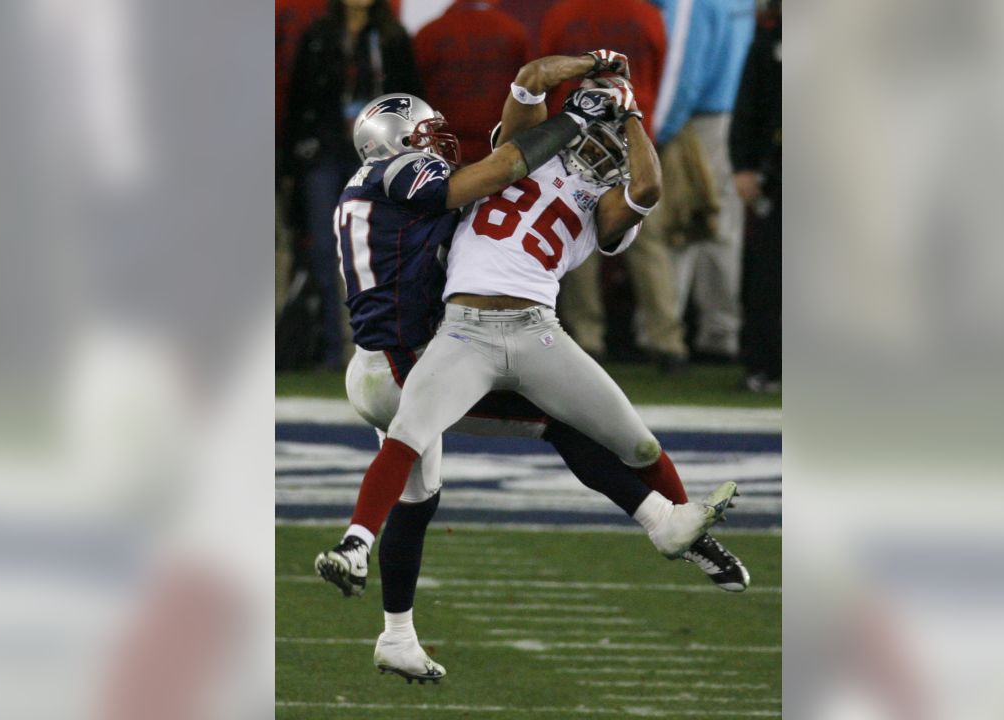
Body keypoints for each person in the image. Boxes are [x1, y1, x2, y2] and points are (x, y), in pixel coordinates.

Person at [317, 53, 750, 681]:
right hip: (421, 351)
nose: (600, 151)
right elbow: (523, 101)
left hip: (474, 341)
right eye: (428, 133)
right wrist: (588, 82)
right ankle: (355, 546)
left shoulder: (593, 197)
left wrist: (627, 115)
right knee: (542, 428)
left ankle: (396, 633)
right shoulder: (438, 168)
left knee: (440, 487)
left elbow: (642, 191)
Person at [539, 0, 690, 370]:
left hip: (574, 145)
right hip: (632, 140)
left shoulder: (563, 14)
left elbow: (546, 77)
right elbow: (662, 77)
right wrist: (650, 129)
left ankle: (587, 339)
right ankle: (667, 341)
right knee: (648, 244)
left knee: (574, 240)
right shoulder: (648, 16)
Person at [280, 0, 423, 370]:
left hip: (376, 154)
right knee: (326, 251)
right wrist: (292, 162)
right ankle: (334, 350)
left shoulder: (392, 38)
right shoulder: (318, 35)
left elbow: (410, 98)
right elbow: (299, 99)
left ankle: (376, 347)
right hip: (322, 153)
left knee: (375, 251)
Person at [648, 0, 757, 360]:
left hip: (696, 122)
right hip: (735, 116)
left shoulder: (691, 4)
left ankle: (664, 331)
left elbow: (685, 71)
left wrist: (658, 132)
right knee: (724, 230)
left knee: (676, 225)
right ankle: (721, 332)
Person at [730, 0, 782, 392]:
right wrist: (743, 165)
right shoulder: (770, 42)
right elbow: (748, 104)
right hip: (780, 171)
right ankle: (765, 364)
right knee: (770, 270)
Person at [413, 0, 531, 165]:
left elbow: (414, 95)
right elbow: (531, 91)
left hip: (443, 151)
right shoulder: (514, 31)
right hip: (502, 151)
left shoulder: (428, 34)